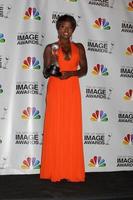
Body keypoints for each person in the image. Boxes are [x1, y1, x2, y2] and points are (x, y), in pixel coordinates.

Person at [40, 14, 88, 182]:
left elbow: (84, 70)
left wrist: (71, 73)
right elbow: (45, 72)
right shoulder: (50, 47)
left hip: (72, 88)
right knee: (55, 126)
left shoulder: (79, 47)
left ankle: (71, 171)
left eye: (69, 27)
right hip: (55, 88)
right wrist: (51, 68)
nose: (66, 30)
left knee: (71, 127)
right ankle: (55, 170)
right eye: (62, 27)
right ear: (58, 28)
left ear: (73, 29)